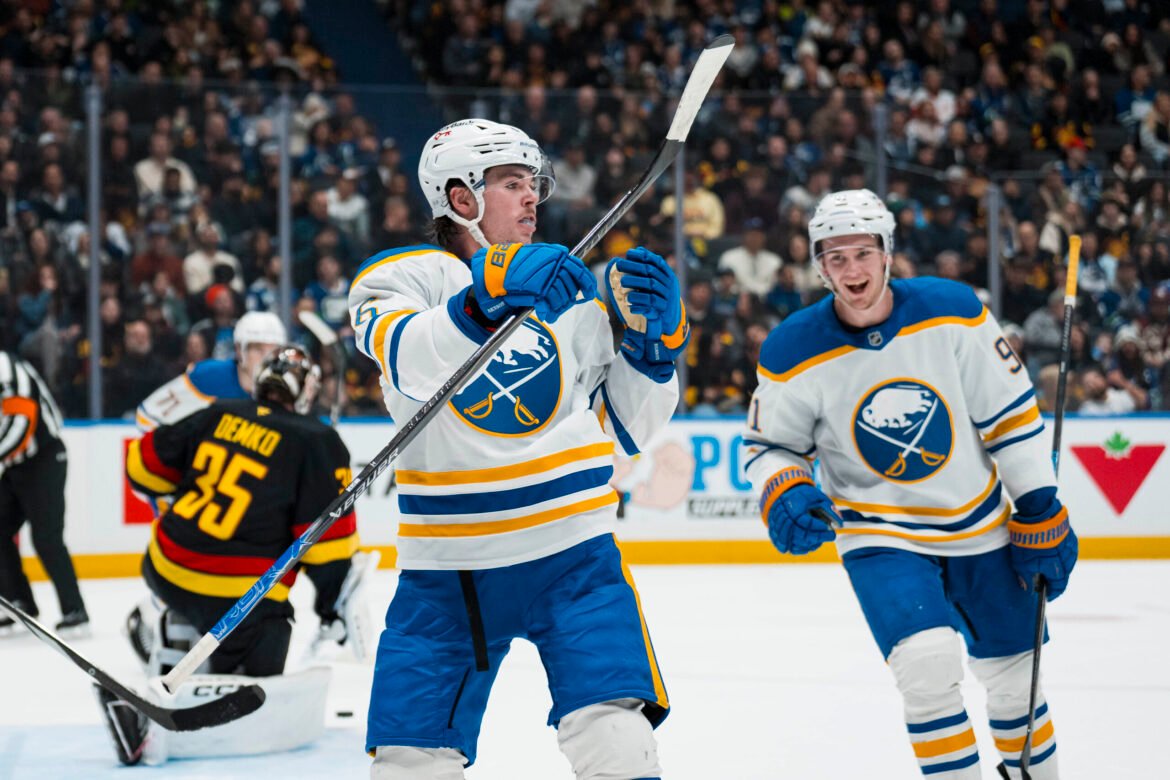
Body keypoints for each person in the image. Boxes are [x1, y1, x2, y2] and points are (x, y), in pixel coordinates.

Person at [349, 118, 686, 779]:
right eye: (510, 183)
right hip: (446, 574)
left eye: (533, 183)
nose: (532, 196)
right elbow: (405, 356)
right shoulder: (407, 277)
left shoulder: (567, 287)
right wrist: (485, 298)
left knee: (617, 739)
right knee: (409, 762)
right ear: (460, 198)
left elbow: (619, 429)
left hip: (575, 557)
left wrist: (653, 354)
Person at [743, 190, 1076, 779]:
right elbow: (770, 447)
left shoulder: (953, 311)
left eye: (862, 253)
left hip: (980, 523)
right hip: (879, 534)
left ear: (887, 254)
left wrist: (1039, 503)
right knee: (926, 664)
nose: (852, 270)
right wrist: (787, 488)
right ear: (820, 267)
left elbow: (1009, 413)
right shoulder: (793, 348)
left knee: (1016, 678)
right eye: (836, 258)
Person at [101, 345, 371, 766]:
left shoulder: (218, 411)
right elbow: (329, 546)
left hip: (165, 566)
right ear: (305, 392)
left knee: (194, 594)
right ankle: (217, 659)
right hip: (240, 600)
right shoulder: (318, 440)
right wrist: (330, 607)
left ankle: (164, 624)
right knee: (264, 650)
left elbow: (143, 467)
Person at [0, 351, 89, 636]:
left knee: (46, 537)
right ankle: (20, 602)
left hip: (44, 460)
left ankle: (75, 611)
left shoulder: (5, 367)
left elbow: (22, 422)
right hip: (13, 465)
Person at [136, 310, 287, 432]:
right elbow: (148, 416)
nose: (267, 358)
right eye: (258, 349)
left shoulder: (287, 388)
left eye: (273, 351)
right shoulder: (208, 377)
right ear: (238, 350)